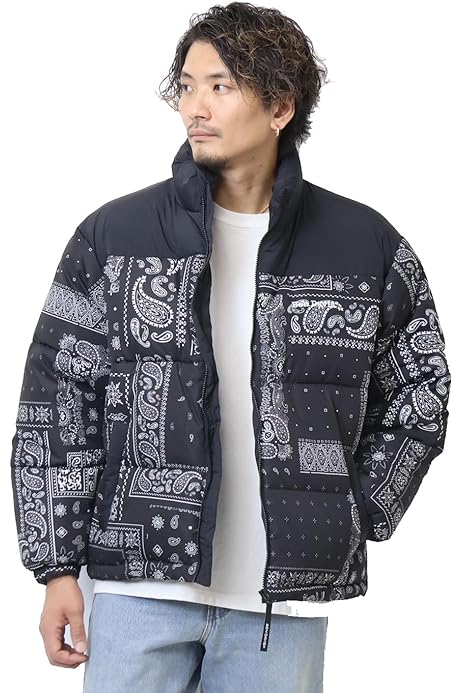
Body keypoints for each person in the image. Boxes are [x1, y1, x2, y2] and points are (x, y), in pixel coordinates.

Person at [9, 3, 451, 692]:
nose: (196, 106)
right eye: (187, 86)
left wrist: (358, 508)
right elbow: (57, 404)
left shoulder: (365, 246)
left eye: (220, 86)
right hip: (137, 590)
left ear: (280, 106)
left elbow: (421, 389)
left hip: (280, 608)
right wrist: (56, 567)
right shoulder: (114, 237)